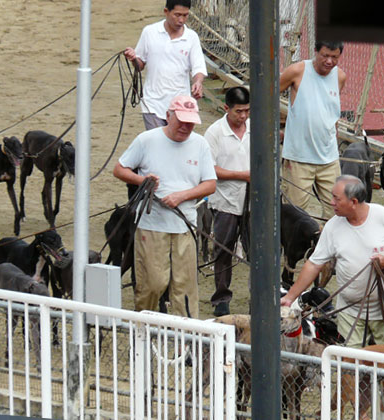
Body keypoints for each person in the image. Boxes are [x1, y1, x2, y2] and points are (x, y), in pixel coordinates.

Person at [280, 175, 384, 347]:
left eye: (336, 198)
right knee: (348, 363)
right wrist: (290, 297)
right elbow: (314, 264)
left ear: (353, 202)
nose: (331, 202)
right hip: (350, 310)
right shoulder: (332, 227)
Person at [113, 95, 216, 318]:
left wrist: (182, 196)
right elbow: (120, 169)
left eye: (190, 123)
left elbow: (210, 184)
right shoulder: (146, 140)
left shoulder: (200, 144)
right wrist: (143, 181)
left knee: (185, 287)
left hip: (185, 225)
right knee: (152, 283)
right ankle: (142, 330)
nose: (186, 127)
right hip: (152, 224)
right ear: (168, 116)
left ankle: (187, 342)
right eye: (181, 121)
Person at [279, 41, 348, 219]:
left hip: (329, 158)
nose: (329, 61)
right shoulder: (297, 71)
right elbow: (270, 95)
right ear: (315, 51)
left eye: (334, 57)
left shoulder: (340, 77)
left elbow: (330, 111)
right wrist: (276, 128)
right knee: (294, 213)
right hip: (299, 158)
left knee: (337, 211)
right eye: (325, 55)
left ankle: (327, 246)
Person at [203, 86, 251, 316]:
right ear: (226, 108)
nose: (243, 116)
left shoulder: (254, 127)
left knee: (257, 251)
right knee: (223, 249)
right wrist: (243, 175)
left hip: (252, 201)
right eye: (238, 111)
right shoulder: (214, 133)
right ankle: (221, 298)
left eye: (247, 111)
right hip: (225, 201)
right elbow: (210, 169)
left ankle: (258, 296)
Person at [124, 0, 208, 130]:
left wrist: (198, 82)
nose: (181, 20)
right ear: (166, 12)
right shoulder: (150, 32)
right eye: (177, 15)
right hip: (152, 102)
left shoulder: (191, 37)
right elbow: (140, 65)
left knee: (178, 143)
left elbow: (199, 67)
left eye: (185, 15)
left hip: (180, 104)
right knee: (158, 144)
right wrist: (133, 58)